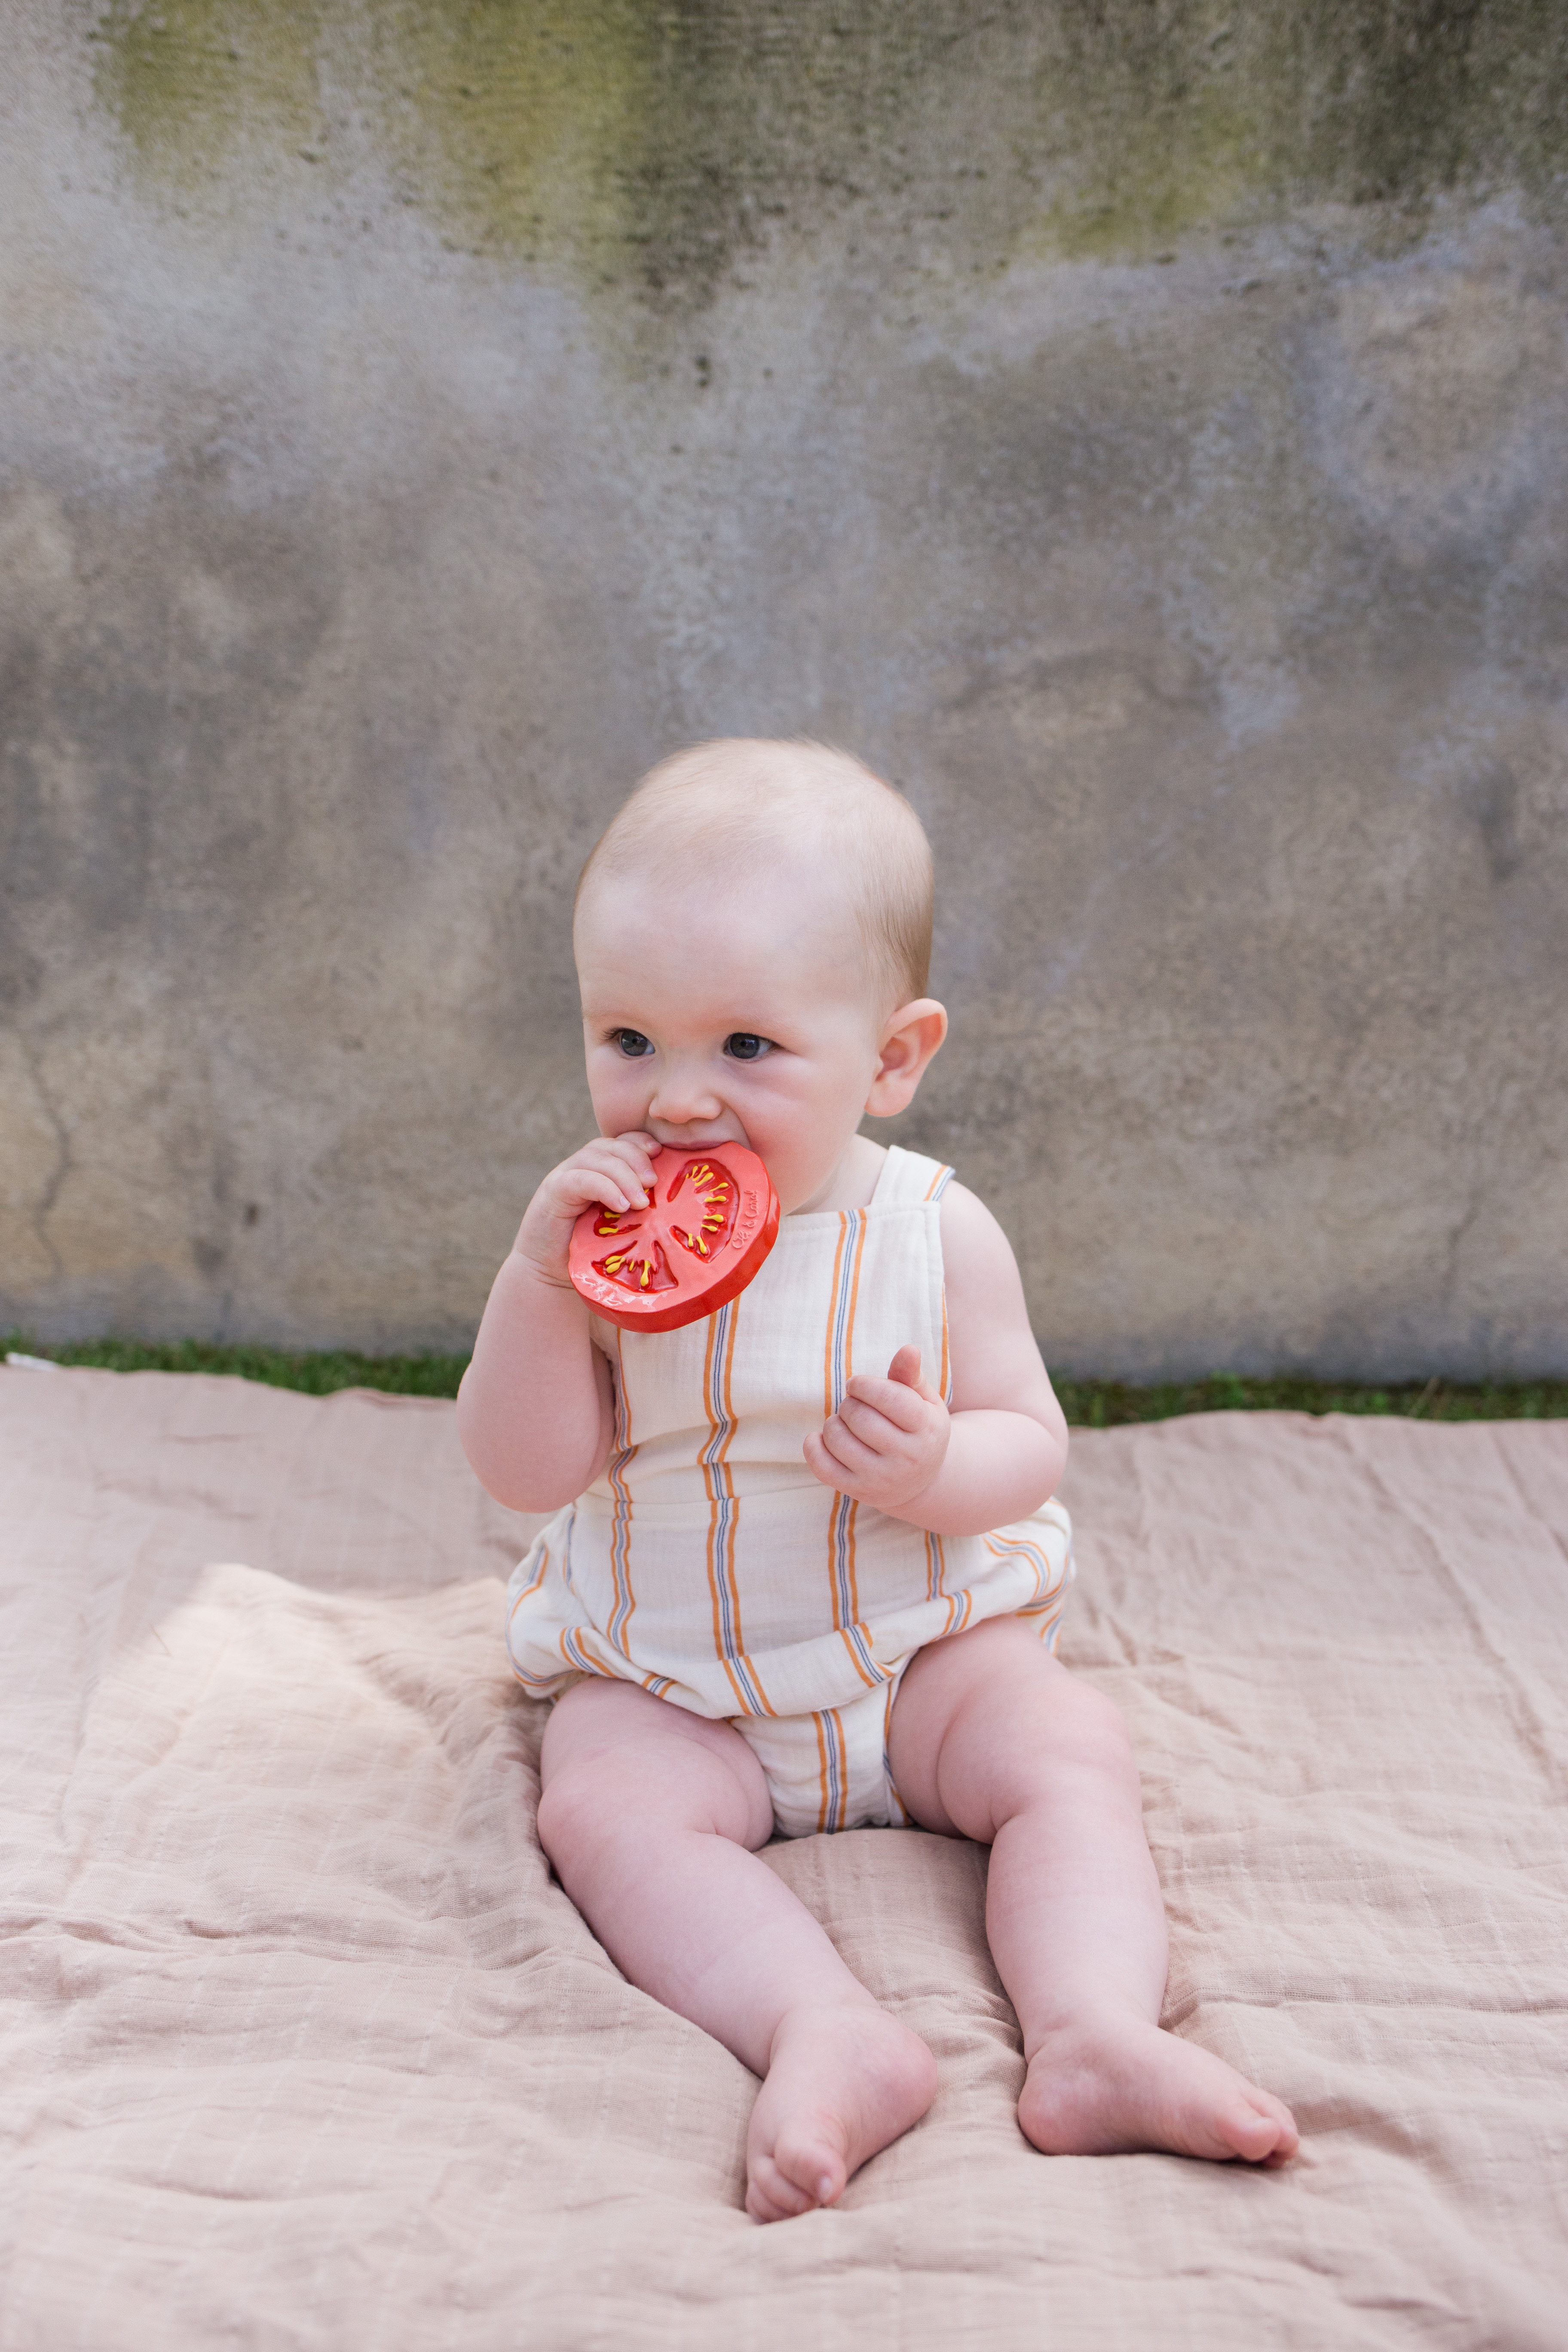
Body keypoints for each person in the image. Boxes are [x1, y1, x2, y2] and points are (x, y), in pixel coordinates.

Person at [457, 738, 1298, 2223]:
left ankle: (1093, 2034)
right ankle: (824, 2029)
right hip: (677, 1678)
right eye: (629, 1042)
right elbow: (529, 1469)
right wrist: (535, 1286)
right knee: (599, 1809)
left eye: (749, 1050)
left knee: (1066, 1748)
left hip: (915, 1663)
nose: (676, 1103)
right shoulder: (594, 1246)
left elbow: (1030, 1441)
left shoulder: (932, 1234)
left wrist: (936, 1466)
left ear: (893, 1059)